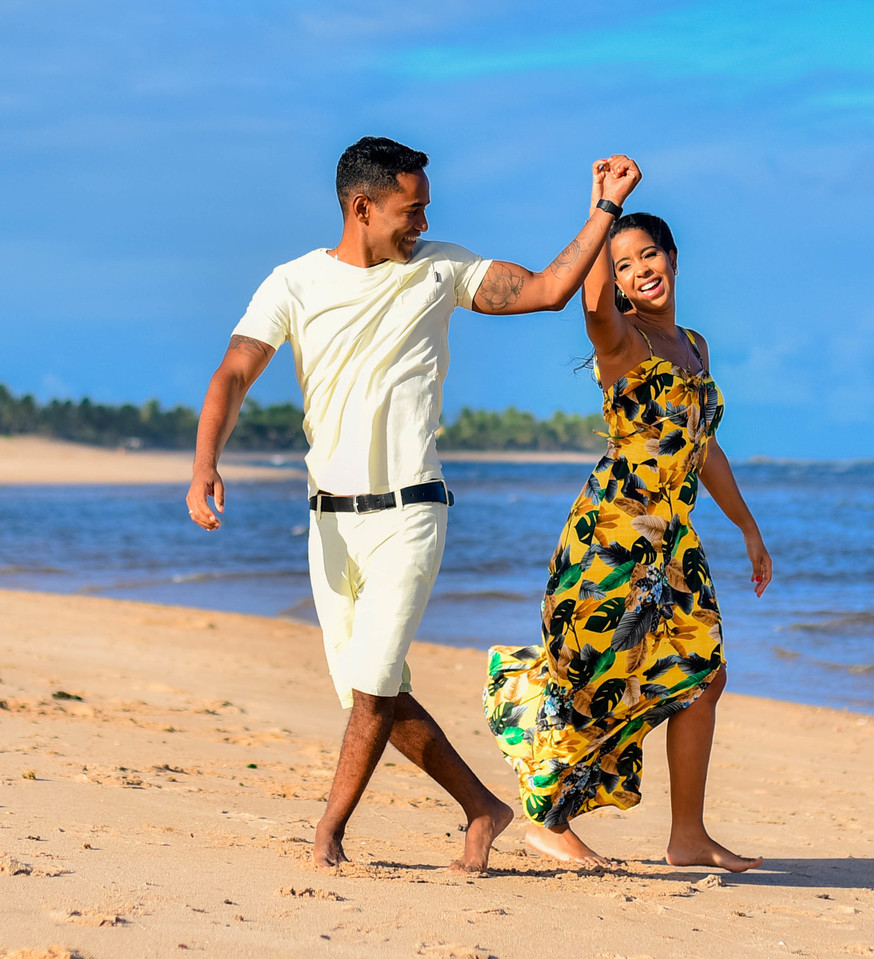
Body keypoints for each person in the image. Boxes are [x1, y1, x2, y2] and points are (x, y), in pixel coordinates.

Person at [186, 137, 641, 873]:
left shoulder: (441, 269)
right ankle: (483, 809)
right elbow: (235, 371)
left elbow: (549, 289)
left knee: (370, 688)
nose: (423, 222)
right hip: (329, 524)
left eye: (426, 208)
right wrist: (205, 461)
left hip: (411, 513)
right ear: (361, 207)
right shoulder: (293, 283)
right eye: (412, 209)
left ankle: (328, 830)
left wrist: (604, 209)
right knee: (382, 692)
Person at [484, 157, 772, 871]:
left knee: (704, 676)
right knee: (592, 680)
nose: (642, 268)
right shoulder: (623, 341)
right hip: (612, 539)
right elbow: (587, 308)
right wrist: (603, 206)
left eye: (650, 254)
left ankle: (687, 836)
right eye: (624, 263)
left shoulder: (695, 346)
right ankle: (547, 821)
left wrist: (747, 526)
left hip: (675, 545)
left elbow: (702, 448)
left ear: (673, 259)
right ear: (612, 279)